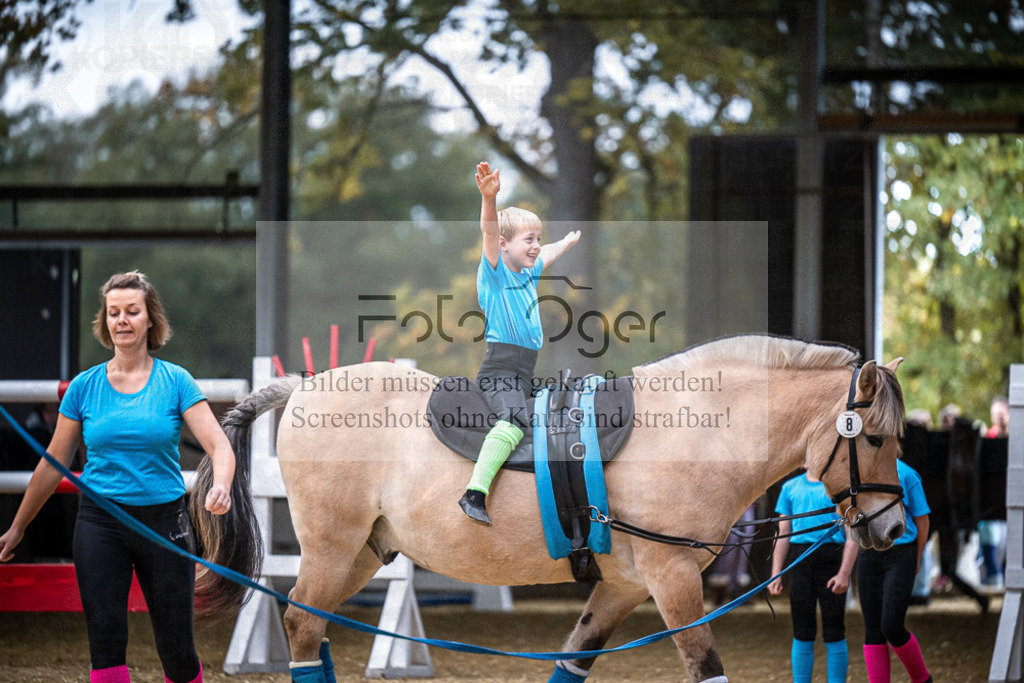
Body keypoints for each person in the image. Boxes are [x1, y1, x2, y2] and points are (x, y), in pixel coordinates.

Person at [0, 271, 235, 683]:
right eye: (113, 313)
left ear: (150, 320)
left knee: (177, 649)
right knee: (105, 647)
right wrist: (18, 527)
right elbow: (52, 463)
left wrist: (221, 485)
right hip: (99, 523)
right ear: (105, 322)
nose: (122, 320)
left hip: (164, 524)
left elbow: (219, 446)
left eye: (132, 311)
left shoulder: (175, 381)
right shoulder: (84, 387)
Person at [458, 161, 581, 525]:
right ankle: (474, 493)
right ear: (503, 245)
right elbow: (488, 230)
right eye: (528, 239)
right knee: (512, 424)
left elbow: (548, 254)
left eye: (538, 238)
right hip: (500, 369)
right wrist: (489, 199)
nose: (536, 246)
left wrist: (566, 242)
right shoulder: (495, 273)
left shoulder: (529, 272)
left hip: (525, 371)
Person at [768, 471, 859, 683]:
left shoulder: (840, 487)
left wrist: (844, 573)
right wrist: (776, 573)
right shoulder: (789, 488)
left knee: (835, 629)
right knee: (802, 630)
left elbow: (852, 533)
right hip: (800, 562)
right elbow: (782, 534)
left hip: (832, 562)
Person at [858, 458, 932, 683]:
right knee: (872, 630)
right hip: (869, 553)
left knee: (891, 626)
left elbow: (923, 521)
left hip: (901, 554)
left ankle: (922, 679)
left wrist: (917, 558)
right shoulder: (859, 473)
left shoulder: (907, 475)